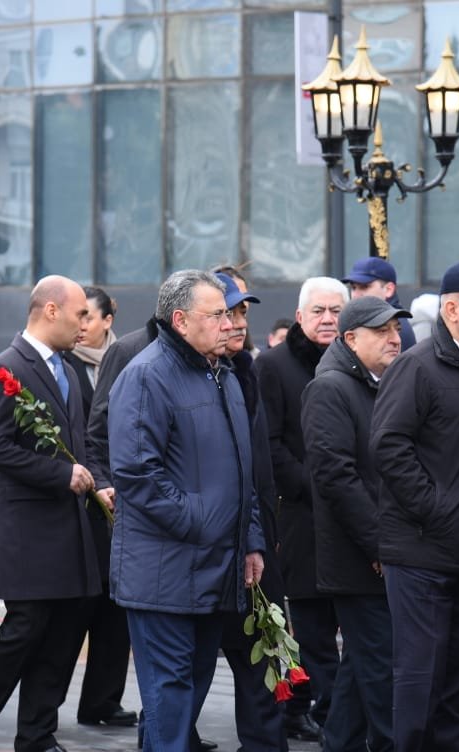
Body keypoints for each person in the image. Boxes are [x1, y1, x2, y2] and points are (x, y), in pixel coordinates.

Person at [107, 269, 264, 752]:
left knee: (188, 689)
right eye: (216, 314)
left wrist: (250, 539)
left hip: (216, 564)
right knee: (169, 693)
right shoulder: (146, 376)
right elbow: (136, 475)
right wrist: (202, 525)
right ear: (180, 320)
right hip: (166, 570)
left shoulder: (225, 374)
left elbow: (244, 470)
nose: (228, 324)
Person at [0, 276, 107, 752]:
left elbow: (80, 442)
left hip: (71, 527)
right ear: (49, 310)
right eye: (79, 314)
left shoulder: (68, 370)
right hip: (28, 529)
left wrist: (99, 484)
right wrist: (59, 475)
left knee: (63, 633)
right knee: (24, 629)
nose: (85, 324)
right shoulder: (6, 368)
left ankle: (37, 734)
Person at [371, 261, 459, 752]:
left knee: (456, 681)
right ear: (452, 309)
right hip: (421, 553)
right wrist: (436, 510)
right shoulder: (418, 365)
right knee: (419, 678)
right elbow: (388, 445)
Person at [302, 296, 410, 752]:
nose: (394, 338)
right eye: (381, 331)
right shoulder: (331, 388)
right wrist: (380, 546)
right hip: (359, 559)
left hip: (376, 553)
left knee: (359, 669)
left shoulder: (373, 382)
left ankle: (340, 743)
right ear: (351, 338)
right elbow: (335, 476)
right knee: (382, 669)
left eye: (396, 329)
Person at [255, 276, 348, 740]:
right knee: (310, 629)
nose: (328, 318)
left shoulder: (356, 364)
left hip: (352, 519)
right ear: (299, 316)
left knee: (351, 626)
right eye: (319, 311)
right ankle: (312, 712)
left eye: (336, 310)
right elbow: (270, 444)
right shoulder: (273, 366)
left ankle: (335, 713)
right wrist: (321, 488)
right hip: (303, 514)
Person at [215, 272, 288, 752]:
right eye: (226, 312)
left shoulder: (245, 369)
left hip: (255, 539)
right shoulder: (177, 372)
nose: (237, 322)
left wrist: (260, 535)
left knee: (264, 655)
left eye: (242, 312)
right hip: (207, 547)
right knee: (193, 670)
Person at [60, 285, 137, 729]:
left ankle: (103, 700)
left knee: (116, 609)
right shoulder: (64, 363)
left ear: (109, 319)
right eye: (78, 316)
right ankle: (47, 703)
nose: (82, 325)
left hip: (119, 503)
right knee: (77, 610)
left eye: (89, 316)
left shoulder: (127, 357)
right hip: (81, 501)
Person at [341, 257, 416, 350]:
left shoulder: (397, 326)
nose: (356, 295)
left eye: (364, 287)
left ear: (389, 289)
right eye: (353, 287)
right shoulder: (363, 320)